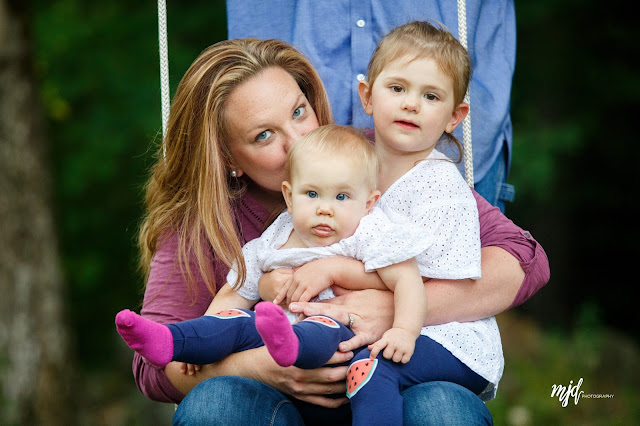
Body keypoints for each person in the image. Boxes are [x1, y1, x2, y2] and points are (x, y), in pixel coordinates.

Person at [131, 37, 549, 425]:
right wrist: (262, 367)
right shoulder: (204, 222)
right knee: (215, 403)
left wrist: (388, 307)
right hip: (279, 398)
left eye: (299, 112)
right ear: (227, 158)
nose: (298, 141)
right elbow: (153, 371)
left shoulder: (373, 157)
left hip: (389, 373)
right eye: (263, 135)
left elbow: (524, 260)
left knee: (444, 408)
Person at [226, 0, 517, 212]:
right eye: (398, 89)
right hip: (290, 176)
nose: (411, 104)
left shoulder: (444, 190)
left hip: (457, 158)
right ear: (367, 96)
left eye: (428, 96)